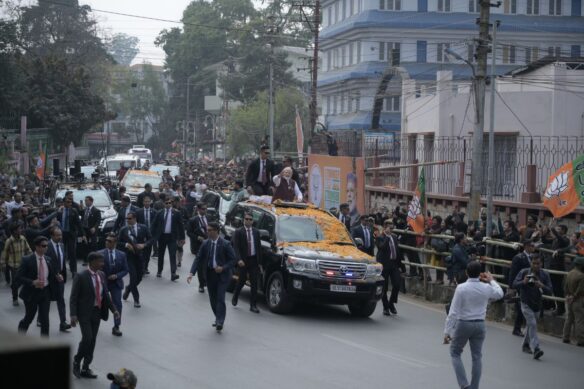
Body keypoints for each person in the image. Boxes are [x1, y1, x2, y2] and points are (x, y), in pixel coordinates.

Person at [444, 261, 504, 389]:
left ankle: (464, 385)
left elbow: (453, 312)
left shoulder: (461, 288)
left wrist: (447, 331)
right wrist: (491, 280)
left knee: (455, 352)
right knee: (477, 357)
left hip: (464, 323)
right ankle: (474, 387)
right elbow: (500, 293)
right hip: (480, 324)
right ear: (480, 274)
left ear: (466, 272)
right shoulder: (486, 287)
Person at [70, 251, 120, 379]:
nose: (102, 264)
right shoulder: (80, 276)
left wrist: (114, 310)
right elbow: (73, 297)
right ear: (92, 262)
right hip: (84, 313)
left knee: (92, 341)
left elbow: (106, 296)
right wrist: (73, 315)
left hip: (97, 312)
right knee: (87, 338)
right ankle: (76, 361)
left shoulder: (102, 275)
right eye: (100, 261)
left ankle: (86, 367)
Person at [187, 222, 236, 332]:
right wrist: (191, 273)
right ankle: (218, 316)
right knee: (213, 299)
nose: (207, 232)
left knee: (220, 297)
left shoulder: (225, 244)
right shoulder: (205, 243)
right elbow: (198, 258)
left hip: (223, 276)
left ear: (216, 231)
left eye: (209, 230)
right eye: (207, 230)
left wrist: (223, 268)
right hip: (210, 274)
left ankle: (220, 321)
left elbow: (233, 260)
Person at [16, 236, 59, 337]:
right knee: (29, 318)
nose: (46, 248)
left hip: (45, 293)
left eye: (47, 246)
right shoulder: (27, 260)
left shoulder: (48, 259)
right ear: (37, 247)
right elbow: (18, 277)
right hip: (31, 294)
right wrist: (32, 282)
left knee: (45, 320)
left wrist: (58, 276)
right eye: (43, 246)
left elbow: (51, 274)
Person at [513, 255, 552, 359]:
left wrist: (541, 285)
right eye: (534, 263)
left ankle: (525, 345)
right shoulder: (524, 272)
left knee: (531, 325)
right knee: (533, 324)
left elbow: (550, 290)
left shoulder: (545, 274)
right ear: (531, 263)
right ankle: (536, 349)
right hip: (525, 303)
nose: (536, 265)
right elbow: (514, 284)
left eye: (538, 263)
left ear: (541, 264)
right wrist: (523, 282)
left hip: (537, 304)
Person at [118, 212, 152, 307]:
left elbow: (151, 240)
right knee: (133, 277)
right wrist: (126, 245)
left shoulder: (143, 227)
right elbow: (118, 242)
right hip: (129, 257)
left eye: (129, 218)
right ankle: (136, 300)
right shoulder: (124, 230)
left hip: (140, 256)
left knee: (139, 277)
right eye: (127, 219)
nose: (128, 220)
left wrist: (144, 245)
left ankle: (128, 288)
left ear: (134, 218)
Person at [231, 211, 261, 313]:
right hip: (243, 260)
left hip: (253, 260)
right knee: (242, 280)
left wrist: (259, 262)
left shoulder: (256, 232)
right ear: (244, 220)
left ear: (253, 221)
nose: (248, 221)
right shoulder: (239, 232)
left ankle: (253, 305)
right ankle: (235, 296)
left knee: (254, 283)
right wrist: (238, 259)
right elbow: (236, 247)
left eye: (250, 219)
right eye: (246, 219)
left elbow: (258, 247)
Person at [101, 233, 128, 336]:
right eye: (106, 240)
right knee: (99, 303)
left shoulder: (122, 255)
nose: (107, 242)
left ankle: (116, 326)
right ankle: (95, 321)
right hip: (104, 283)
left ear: (115, 243)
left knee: (118, 304)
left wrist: (117, 276)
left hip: (116, 283)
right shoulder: (100, 254)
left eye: (110, 241)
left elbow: (126, 270)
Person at [152, 197, 185, 281]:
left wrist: (182, 238)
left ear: (172, 204)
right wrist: (152, 236)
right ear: (164, 204)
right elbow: (154, 225)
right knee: (161, 254)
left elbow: (181, 226)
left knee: (172, 255)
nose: (168, 204)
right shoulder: (159, 213)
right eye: (166, 203)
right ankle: (159, 271)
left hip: (172, 237)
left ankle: (173, 273)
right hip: (162, 237)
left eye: (170, 203)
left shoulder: (176, 213)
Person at [46, 227, 71, 332]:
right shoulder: (46, 246)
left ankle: (63, 322)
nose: (60, 237)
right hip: (49, 278)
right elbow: (46, 263)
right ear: (52, 236)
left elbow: (62, 262)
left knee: (61, 300)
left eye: (60, 234)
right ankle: (40, 318)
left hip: (60, 277)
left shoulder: (62, 245)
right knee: (46, 301)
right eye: (57, 235)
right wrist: (54, 274)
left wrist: (62, 275)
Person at [508, 240, 535, 337]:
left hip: (529, 286)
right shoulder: (519, 257)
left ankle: (524, 328)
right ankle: (517, 328)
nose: (533, 247)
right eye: (532, 246)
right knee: (520, 308)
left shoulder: (532, 258)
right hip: (520, 285)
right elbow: (513, 272)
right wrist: (512, 287)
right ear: (526, 246)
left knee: (526, 307)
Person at [1, 222, 32, 306]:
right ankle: (15, 298)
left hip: (23, 265)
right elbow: (5, 253)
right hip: (14, 265)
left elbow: (28, 249)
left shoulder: (23, 238)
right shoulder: (9, 241)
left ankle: (25, 295)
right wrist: (3, 264)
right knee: (15, 283)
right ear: (14, 231)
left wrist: (32, 258)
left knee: (25, 281)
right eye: (19, 229)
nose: (21, 230)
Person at [375, 220, 403, 316]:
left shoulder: (394, 237)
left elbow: (398, 252)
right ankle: (385, 307)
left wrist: (401, 266)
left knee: (397, 284)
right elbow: (381, 247)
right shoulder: (379, 237)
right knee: (385, 287)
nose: (391, 229)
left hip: (394, 264)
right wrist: (386, 236)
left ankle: (391, 303)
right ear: (385, 227)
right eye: (389, 227)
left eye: (392, 227)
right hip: (384, 264)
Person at [186, 203, 209, 293]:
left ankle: (206, 280)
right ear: (198, 210)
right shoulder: (193, 220)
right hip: (199, 245)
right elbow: (189, 232)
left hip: (209, 243)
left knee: (208, 264)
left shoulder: (209, 218)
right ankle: (201, 284)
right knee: (200, 264)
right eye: (203, 209)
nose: (205, 210)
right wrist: (197, 237)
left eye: (206, 209)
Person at [563, 256, 584, 346]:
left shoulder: (569, 273)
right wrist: (574, 297)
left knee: (569, 319)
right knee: (579, 320)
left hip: (569, 298)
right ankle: (581, 340)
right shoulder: (581, 276)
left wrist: (568, 296)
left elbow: (565, 287)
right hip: (578, 300)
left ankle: (565, 337)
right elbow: (580, 290)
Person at [57, 197, 81, 276]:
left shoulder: (74, 211)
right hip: (61, 235)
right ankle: (61, 270)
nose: (69, 204)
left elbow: (78, 223)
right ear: (63, 202)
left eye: (70, 202)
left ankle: (74, 271)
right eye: (67, 202)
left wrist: (83, 234)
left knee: (72, 252)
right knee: (61, 253)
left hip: (71, 235)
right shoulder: (60, 211)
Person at [136, 195, 157, 274]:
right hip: (140, 234)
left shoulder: (154, 212)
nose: (147, 203)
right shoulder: (138, 211)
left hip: (150, 235)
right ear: (143, 202)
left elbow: (156, 224)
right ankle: (140, 267)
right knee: (140, 252)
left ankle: (145, 268)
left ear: (151, 202)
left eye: (148, 201)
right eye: (145, 201)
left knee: (148, 253)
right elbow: (136, 223)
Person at [81, 196, 101, 265]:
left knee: (93, 244)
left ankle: (94, 260)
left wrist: (95, 227)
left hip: (92, 229)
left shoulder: (96, 210)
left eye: (87, 200)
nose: (85, 202)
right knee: (84, 244)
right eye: (85, 201)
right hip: (85, 229)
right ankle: (85, 260)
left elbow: (98, 221)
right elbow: (82, 220)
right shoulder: (84, 210)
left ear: (91, 201)